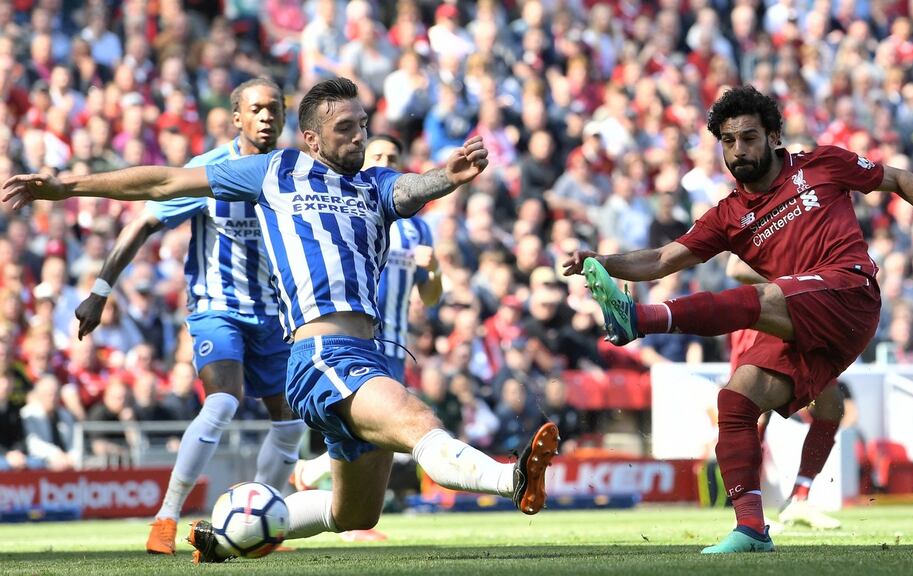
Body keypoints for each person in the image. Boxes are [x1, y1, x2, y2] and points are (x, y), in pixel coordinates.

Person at [4, 77, 558, 563]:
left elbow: (412, 187)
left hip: (363, 355)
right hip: (321, 356)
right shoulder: (279, 171)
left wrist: (446, 176)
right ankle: (512, 477)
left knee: (355, 513)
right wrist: (68, 186)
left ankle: (226, 538)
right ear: (312, 138)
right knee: (418, 420)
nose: (359, 137)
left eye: (363, 125)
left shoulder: (374, 185)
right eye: (345, 128)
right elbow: (166, 183)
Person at [562, 86, 913, 553]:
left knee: (762, 298)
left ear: (773, 136)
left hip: (850, 294)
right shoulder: (727, 215)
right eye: (728, 141)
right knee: (736, 400)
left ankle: (640, 319)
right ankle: (751, 528)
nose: (738, 150)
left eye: (748, 138)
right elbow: (662, 259)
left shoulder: (822, 164)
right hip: (801, 322)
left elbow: (899, 179)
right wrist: (601, 261)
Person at [71, 78, 306, 556]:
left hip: (275, 316)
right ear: (236, 117)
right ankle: (166, 518)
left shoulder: (295, 173)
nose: (266, 117)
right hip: (217, 307)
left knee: (291, 424)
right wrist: (100, 290)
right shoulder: (208, 171)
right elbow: (143, 222)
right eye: (256, 109)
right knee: (222, 402)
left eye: (274, 109)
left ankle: (258, 520)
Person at [290, 134, 443, 542]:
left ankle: (317, 477)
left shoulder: (418, 227)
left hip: (394, 342)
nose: (385, 161)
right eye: (378, 155)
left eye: (393, 156)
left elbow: (429, 297)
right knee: (382, 431)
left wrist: (434, 270)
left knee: (385, 437)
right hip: (353, 339)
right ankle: (343, 513)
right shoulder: (345, 209)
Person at [727, 254, 841, 530]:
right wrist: (795, 284)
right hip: (764, 316)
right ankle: (748, 511)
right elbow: (736, 268)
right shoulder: (760, 226)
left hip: (805, 319)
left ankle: (799, 498)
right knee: (754, 412)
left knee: (831, 404)